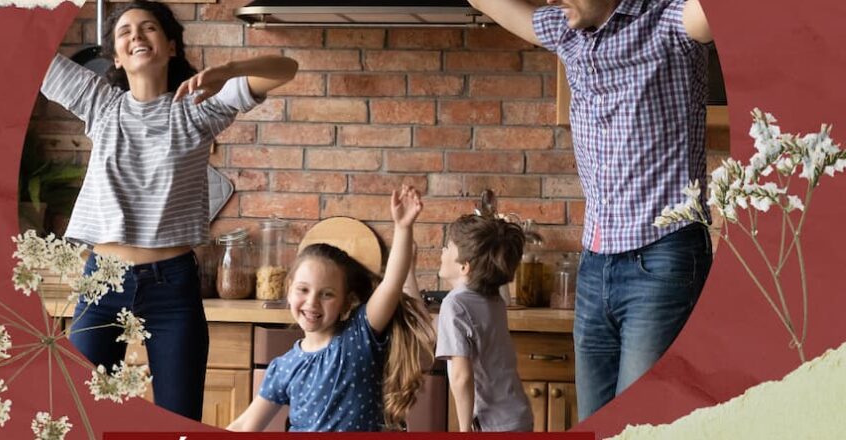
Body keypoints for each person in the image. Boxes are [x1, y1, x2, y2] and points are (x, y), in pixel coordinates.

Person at [41, 0, 298, 421]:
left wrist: (228, 71)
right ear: (117, 57)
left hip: (172, 289)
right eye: (125, 32)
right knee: (78, 417)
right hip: (102, 284)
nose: (136, 36)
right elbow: (27, 55)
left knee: (179, 419)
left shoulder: (199, 109)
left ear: (172, 46)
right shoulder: (100, 104)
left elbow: (285, 68)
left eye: (149, 28)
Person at [466, 0, 715, 421]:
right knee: (596, 424)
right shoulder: (567, 27)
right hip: (595, 264)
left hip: (663, 259)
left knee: (639, 425)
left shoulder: (670, 20)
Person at [227, 186, 436, 432]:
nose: (312, 303)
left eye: (327, 294)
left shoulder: (360, 335)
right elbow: (245, 425)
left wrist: (403, 228)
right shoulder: (283, 367)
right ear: (289, 289)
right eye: (303, 290)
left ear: (346, 303)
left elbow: (391, 283)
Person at [436, 214, 534, 432]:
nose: (442, 251)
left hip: (493, 425)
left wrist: (463, 430)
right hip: (518, 416)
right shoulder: (494, 298)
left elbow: (462, 377)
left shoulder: (454, 304)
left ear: (464, 267)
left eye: (448, 247)